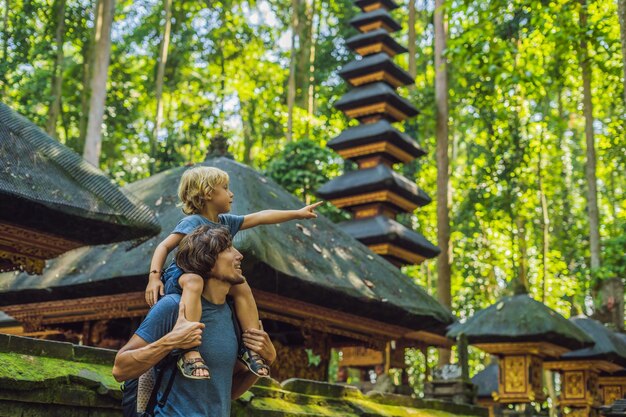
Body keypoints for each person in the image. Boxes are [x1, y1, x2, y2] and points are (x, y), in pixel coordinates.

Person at [144, 166, 321, 379]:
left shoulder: (226, 223)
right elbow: (164, 246)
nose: (231, 193)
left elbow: (261, 217)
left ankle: (250, 345)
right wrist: (154, 277)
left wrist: (297, 214)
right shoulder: (192, 222)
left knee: (242, 285)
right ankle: (188, 349)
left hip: (209, 277)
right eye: (225, 188)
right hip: (182, 275)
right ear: (208, 193)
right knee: (194, 281)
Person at [113, 226, 277, 417]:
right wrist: (171, 341)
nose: (239, 255)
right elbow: (120, 369)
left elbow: (228, 392)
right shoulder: (173, 307)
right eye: (228, 249)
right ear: (207, 259)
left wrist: (268, 359)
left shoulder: (234, 316)